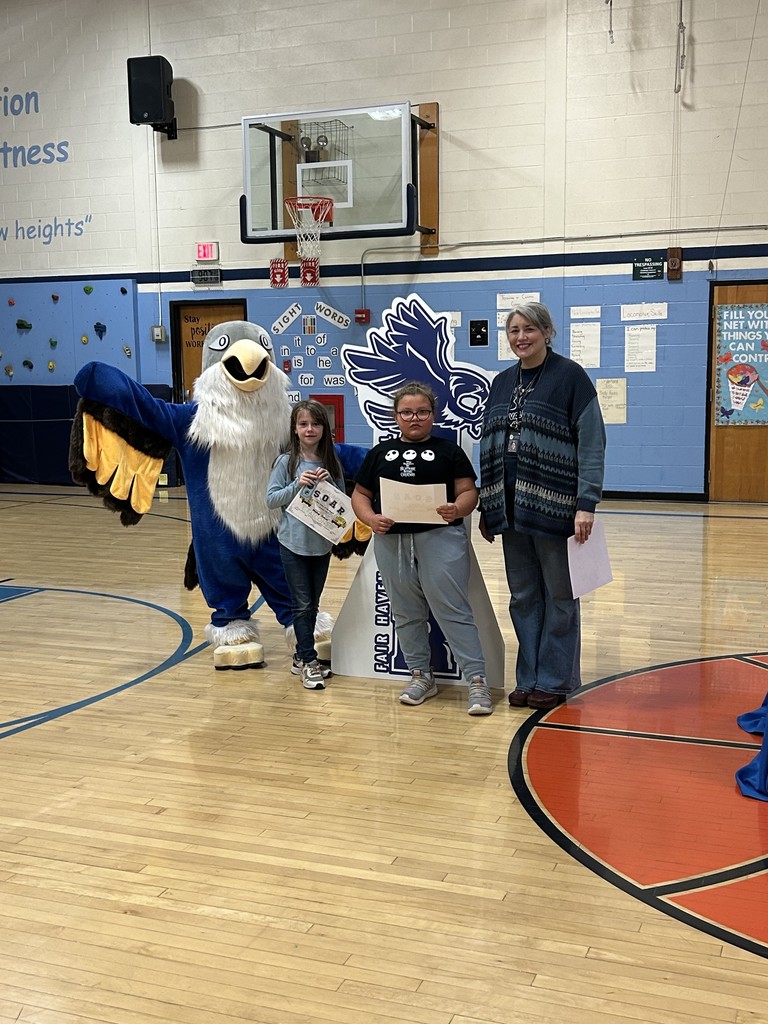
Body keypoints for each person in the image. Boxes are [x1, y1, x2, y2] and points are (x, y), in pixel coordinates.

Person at [479, 301, 606, 711]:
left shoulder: (571, 378)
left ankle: (556, 679)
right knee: (523, 597)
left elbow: (592, 444)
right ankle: (528, 677)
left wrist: (586, 503)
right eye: (513, 330)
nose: (521, 337)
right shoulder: (500, 382)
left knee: (561, 596)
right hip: (510, 507)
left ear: (547, 332)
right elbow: (489, 444)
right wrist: (487, 503)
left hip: (555, 506)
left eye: (529, 329)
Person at [351, 382, 493, 716]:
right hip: (392, 540)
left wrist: (457, 509)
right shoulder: (379, 454)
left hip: (440, 539)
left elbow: (468, 492)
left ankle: (477, 681)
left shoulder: (449, 452)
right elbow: (360, 496)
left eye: (422, 412)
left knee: (452, 608)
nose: (415, 418)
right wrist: (371, 518)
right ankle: (420, 675)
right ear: (395, 416)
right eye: (407, 412)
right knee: (405, 610)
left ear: (433, 414)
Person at [267, 400, 345, 689]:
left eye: (315, 424)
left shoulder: (332, 462)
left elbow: (342, 504)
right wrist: (296, 485)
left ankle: (300, 656)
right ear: (295, 429)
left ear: (325, 428)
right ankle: (310, 663)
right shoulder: (286, 462)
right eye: (303, 424)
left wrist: (330, 486)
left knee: (312, 604)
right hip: (292, 545)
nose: (309, 429)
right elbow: (271, 499)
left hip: (321, 545)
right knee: (301, 605)